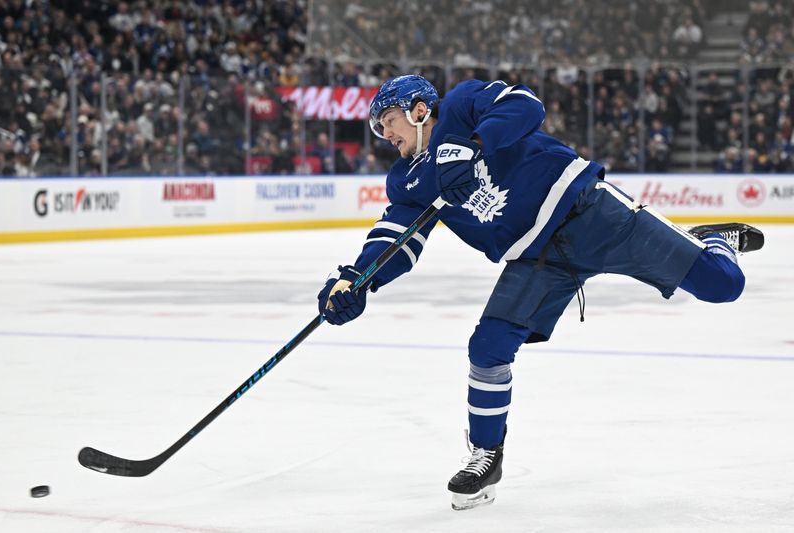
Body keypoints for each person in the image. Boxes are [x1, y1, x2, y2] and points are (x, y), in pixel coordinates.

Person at [315, 75, 764, 510]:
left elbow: (526, 106)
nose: (385, 134)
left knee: (724, 284)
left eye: (388, 121)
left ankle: (713, 240)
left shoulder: (462, 104)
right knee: (487, 348)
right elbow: (397, 238)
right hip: (537, 259)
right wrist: (357, 279)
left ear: (417, 110)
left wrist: (471, 145)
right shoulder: (408, 180)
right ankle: (486, 455)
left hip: (591, 213)